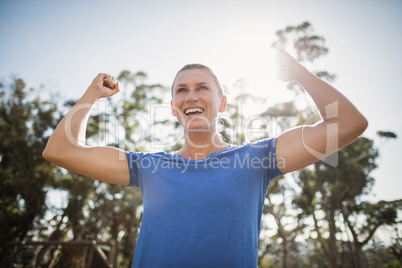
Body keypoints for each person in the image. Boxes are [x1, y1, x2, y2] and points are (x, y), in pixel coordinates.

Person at [43, 52, 368, 267]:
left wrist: (298, 73)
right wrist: (92, 95)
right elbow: (60, 151)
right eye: (181, 91)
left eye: (202, 88)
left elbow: (348, 123)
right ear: (173, 107)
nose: (192, 96)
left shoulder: (258, 159)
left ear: (222, 103)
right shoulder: (148, 167)